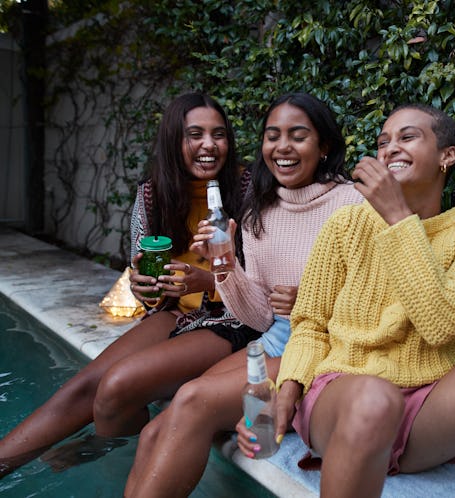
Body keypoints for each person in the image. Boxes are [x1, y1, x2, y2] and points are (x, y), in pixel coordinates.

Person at [238, 103, 455, 498]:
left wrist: (397, 219)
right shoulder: (346, 225)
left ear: (447, 155)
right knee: (375, 398)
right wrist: (288, 390)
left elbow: (440, 324)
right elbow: (310, 323)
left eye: (407, 137)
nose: (390, 148)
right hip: (344, 396)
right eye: (383, 141)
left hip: (426, 410)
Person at [0, 93, 256, 477]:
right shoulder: (153, 194)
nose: (209, 145)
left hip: (234, 318)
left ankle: (102, 446)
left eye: (218, 135)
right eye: (195, 135)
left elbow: (266, 282)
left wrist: (207, 281)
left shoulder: (251, 189)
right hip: (178, 313)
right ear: (173, 140)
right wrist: (144, 288)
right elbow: (147, 282)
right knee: (84, 385)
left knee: (118, 385)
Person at [123, 92, 364, 497]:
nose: (282, 147)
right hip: (274, 338)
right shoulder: (259, 210)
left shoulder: (353, 203)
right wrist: (225, 267)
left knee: (195, 399)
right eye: (273, 136)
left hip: (322, 346)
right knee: (154, 430)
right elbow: (258, 317)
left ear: (324, 146)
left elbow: (371, 299)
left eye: (297, 135)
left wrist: (309, 302)